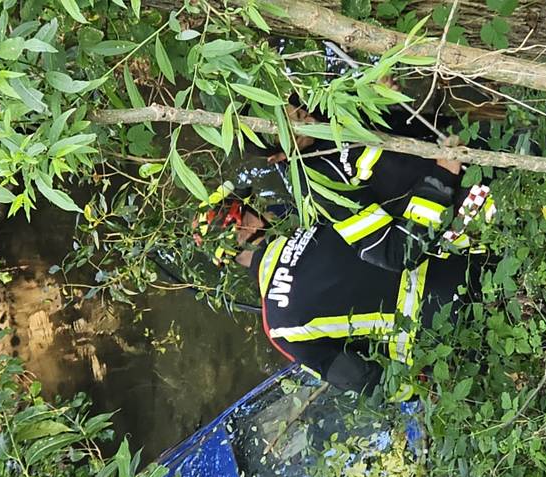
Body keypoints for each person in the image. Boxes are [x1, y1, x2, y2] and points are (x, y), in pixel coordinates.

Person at [201, 135, 494, 399]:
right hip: (473, 268)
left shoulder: (280, 325)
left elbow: (366, 382)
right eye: (252, 207)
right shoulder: (313, 218)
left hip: (457, 343)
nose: (263, 208)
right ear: (242, 228)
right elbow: (395, 243)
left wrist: (430, 386)